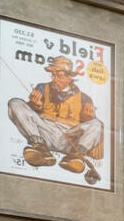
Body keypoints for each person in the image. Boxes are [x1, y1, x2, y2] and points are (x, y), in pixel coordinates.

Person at [6, 52, 106, 182]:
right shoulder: (41, 88)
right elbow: (28, 115)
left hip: (70, 139)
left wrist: (88, 118)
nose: (54, 79)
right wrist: (35, 106)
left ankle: (75, 157)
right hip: (45, 133)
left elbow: (92, 129)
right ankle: (40, 150)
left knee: (97, 124)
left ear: (69, 78)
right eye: (53, 75)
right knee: (15, 103)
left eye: (59, 76)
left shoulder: (85, 98)